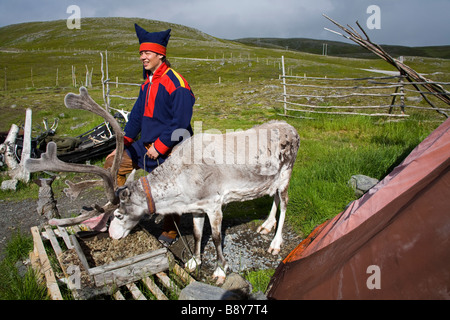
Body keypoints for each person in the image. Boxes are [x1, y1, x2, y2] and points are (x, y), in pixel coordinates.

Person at [104, 23, 195, 246]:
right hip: (145, 146)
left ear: (160, 55)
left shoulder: (177, 83)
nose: (143, 57)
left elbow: (181, 123)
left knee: (171, 189)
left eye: (147, 53)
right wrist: (123, 144)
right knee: (112, 163)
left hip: (173, 147)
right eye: (141, 53)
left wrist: (161, 145)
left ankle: (170, 231)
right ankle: (125, 208)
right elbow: (135, 117)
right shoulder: (147, 83)